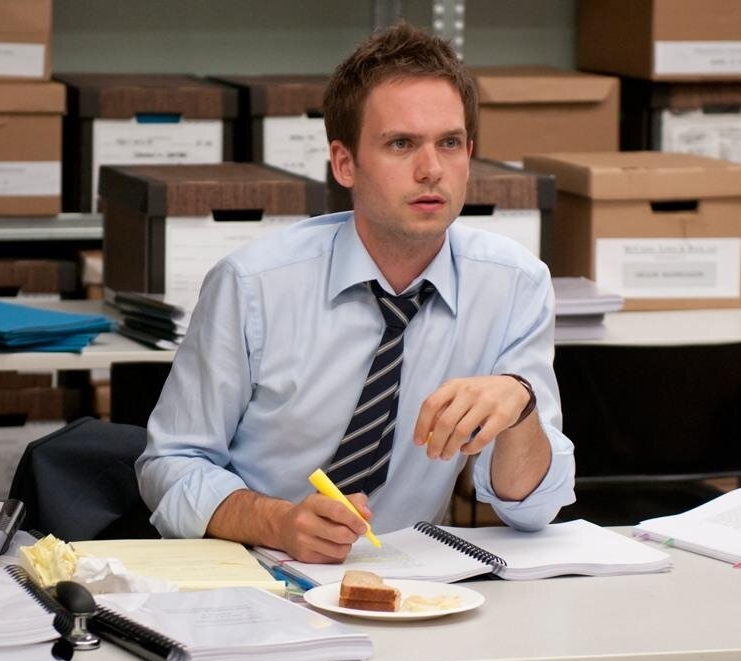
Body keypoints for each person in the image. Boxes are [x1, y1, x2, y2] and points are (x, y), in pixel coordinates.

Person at [137, 23, 577, 564]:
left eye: (449, 143)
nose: (431, 170)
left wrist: (522, 409)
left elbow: (531, 509)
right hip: (256, 570)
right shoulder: (252, 285)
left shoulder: (514, 283)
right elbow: (170, 465)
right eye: (401, 144)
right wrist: (279, 523)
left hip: (415, 584)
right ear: (345, 163)